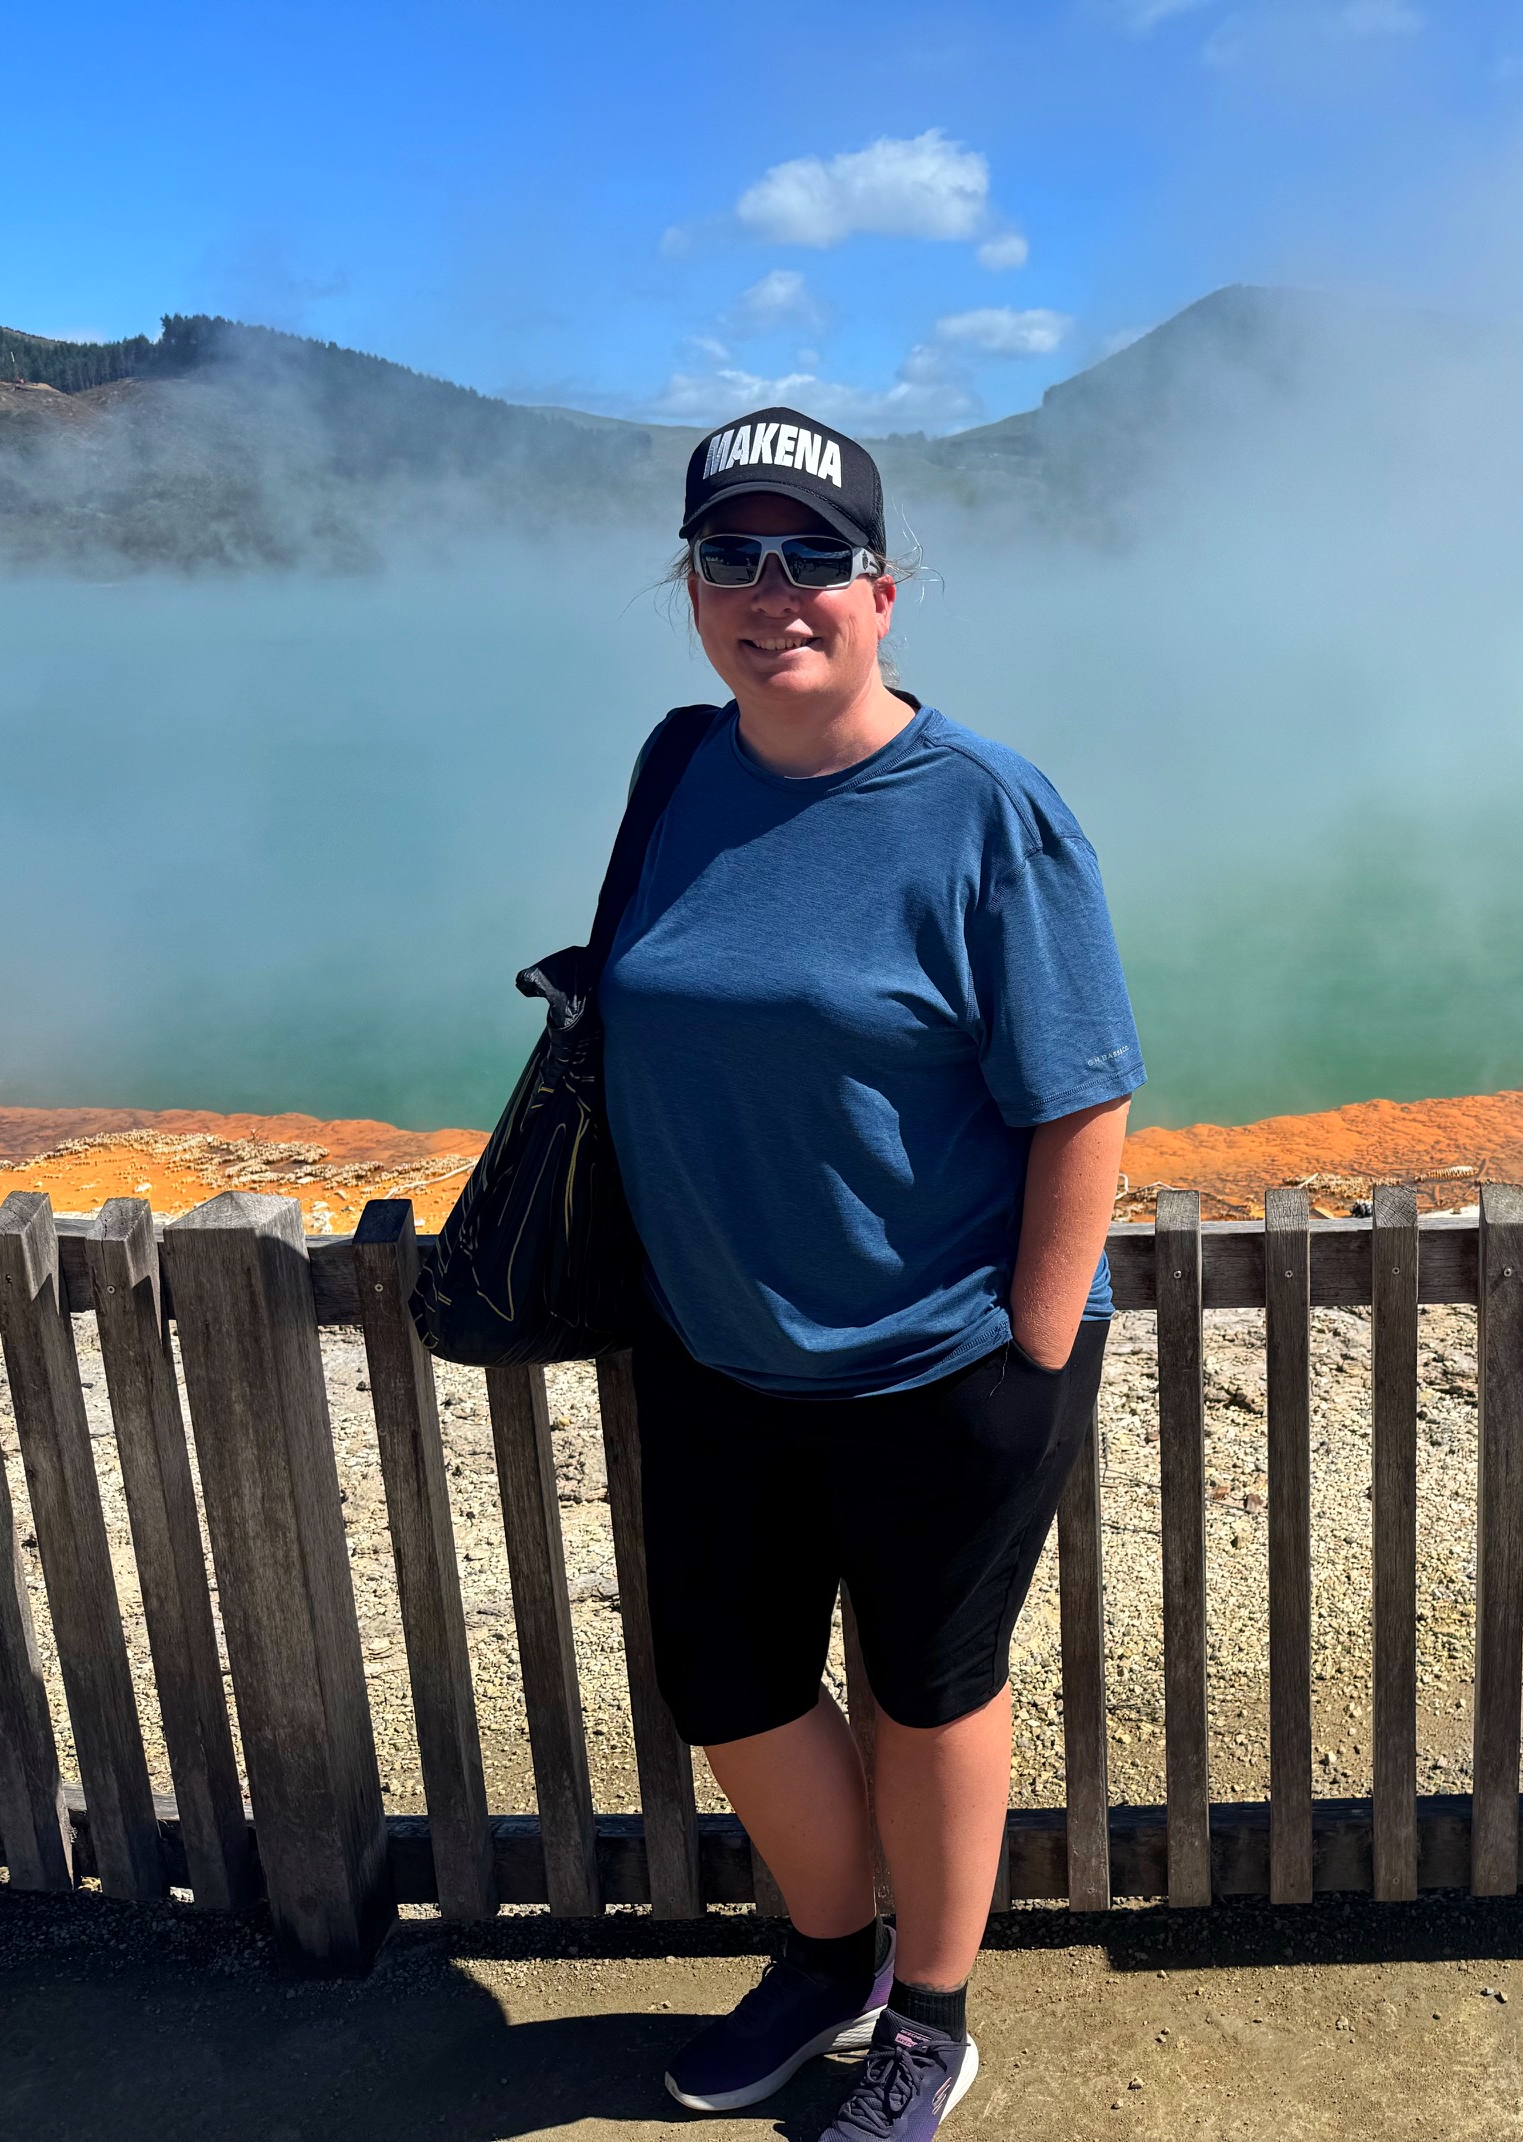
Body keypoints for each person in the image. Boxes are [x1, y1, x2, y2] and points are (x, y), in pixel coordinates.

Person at [601, 405, 1140, 2138]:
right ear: (689, 588)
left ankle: (932, 2010)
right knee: (732, 1680)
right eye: (731, 556)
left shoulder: (986, 809)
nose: (775, 593)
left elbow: (1084, 1093)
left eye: (812, 556)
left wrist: (1029, 1358)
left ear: (886, 590)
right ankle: (829, 1955)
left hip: (941, 1355)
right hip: (712, 1343)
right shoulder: (677, 770)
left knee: (930, 1688)